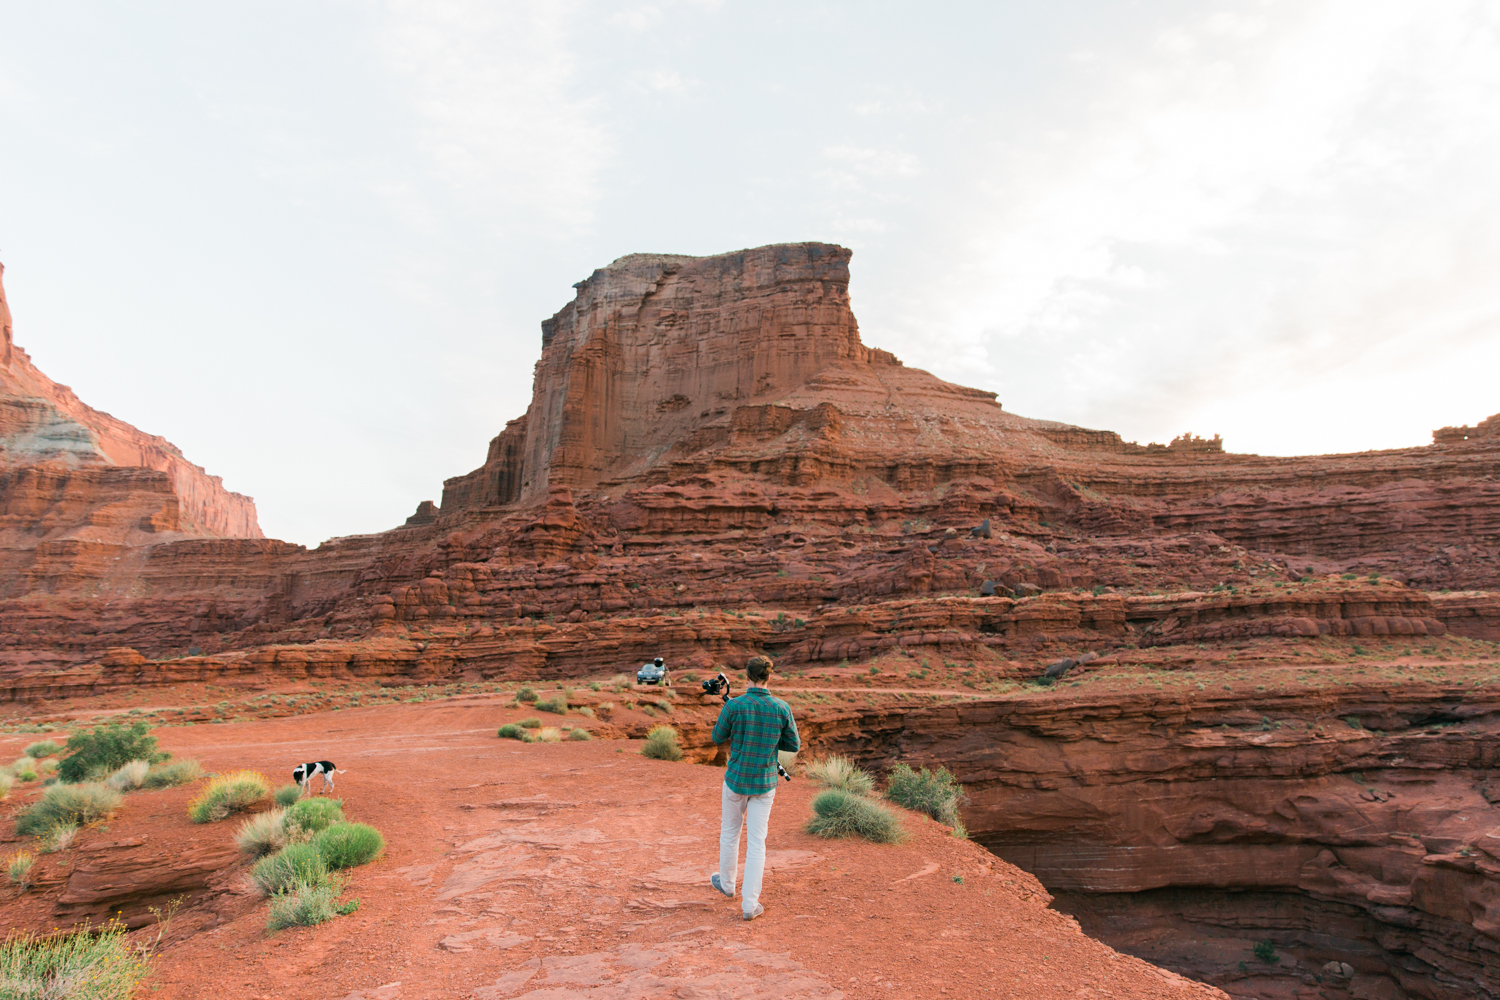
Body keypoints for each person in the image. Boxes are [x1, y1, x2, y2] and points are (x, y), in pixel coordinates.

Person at [708, 654, 799, 921]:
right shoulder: (781, 708)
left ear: (747, 677)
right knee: (757, 842)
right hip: (764, 783)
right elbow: (793, 745)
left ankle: (726, 885)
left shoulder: (734, 706)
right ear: (769, 677)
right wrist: (769, 742)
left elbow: (717, 737)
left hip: (736, 780)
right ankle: (750, 904)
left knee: (730, 832)